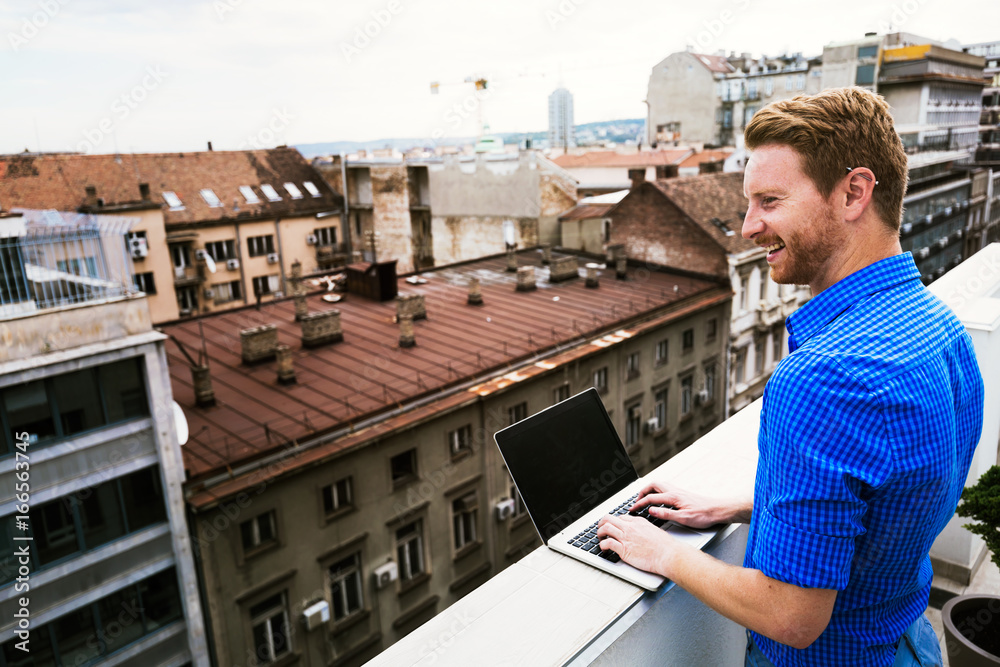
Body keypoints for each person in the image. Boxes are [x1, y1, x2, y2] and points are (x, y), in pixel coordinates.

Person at [597, 87, 984, 666]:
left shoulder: (828, 377)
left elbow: (791, 615)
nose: (750, 226)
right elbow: (880, 500)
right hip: (908, 641)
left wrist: (663, 553)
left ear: (854, 192)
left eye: (770, 201)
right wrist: (733, 506)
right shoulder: (938, 328)